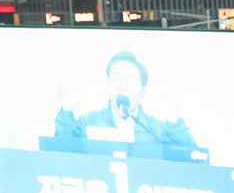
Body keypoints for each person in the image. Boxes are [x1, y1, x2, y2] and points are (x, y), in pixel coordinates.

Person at [54, 50, 200, 149]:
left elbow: (191, 161)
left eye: (131, 80)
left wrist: (173, 123)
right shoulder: (88, 123)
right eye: (117, 78)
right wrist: (66, 109)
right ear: (108, 83)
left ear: (144, 91)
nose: (123, 86)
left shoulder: (157, 131)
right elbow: (62, 154)